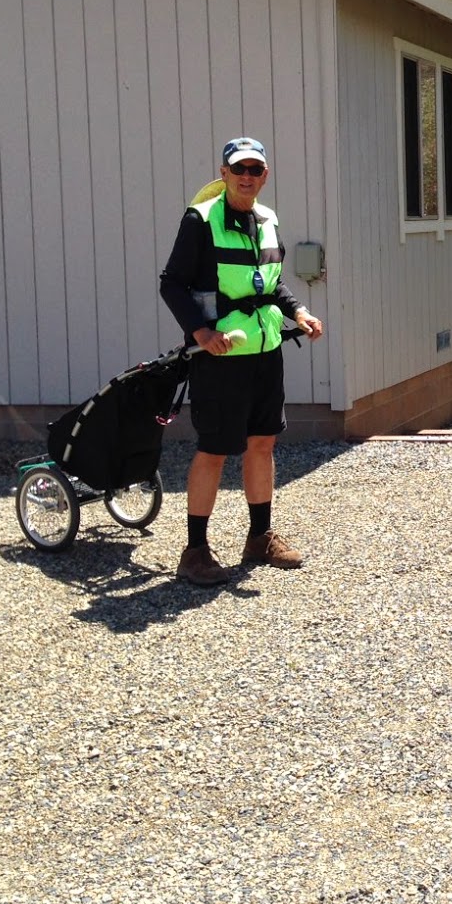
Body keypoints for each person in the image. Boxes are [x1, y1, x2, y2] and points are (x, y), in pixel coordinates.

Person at [159, 137, 324, 585]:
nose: (247, 176)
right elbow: (172, 283)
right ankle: (194, 551)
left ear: (264, 175)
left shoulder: (267, 219)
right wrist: (201, 333)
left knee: (262, 443)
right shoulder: (200, 220)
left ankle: (259, 537)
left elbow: (270, 284)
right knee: (214, 450)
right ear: (224, 173)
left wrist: (299, 312)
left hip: (265, 353)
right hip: (220, 357)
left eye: (255, 169)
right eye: (239, 169)